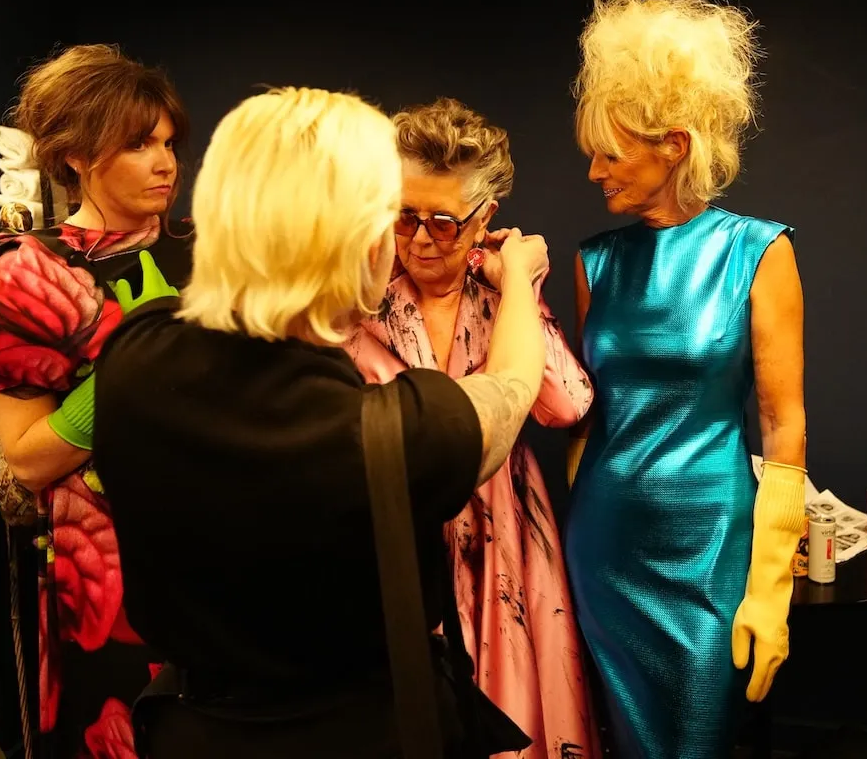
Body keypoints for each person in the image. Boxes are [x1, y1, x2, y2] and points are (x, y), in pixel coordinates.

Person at [90, 86, 553, 758]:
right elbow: (511, 388)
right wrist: (519, 281)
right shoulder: (390, 435)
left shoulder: (133, 354)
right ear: (362, 242)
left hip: (190, 733)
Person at [0, 44, 193, 757]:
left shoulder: (220, 258)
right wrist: (135, 367)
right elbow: (31, 460)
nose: (165, 162)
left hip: (227, 553)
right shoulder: (27, 278)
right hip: (108, 574)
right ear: (75, 158)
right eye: (139, 144)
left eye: (168, 142)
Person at [562, 0, 808, 759]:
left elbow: (784, 425)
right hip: (605, 549)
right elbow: (592, 416)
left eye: (611, 151)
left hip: (712, 551)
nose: (595, 171)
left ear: (673, 143)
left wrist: (770, 587)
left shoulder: (758, 251)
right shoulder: (595, 261)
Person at [344, 97, 600, 759]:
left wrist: (518, 282)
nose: (421, 240)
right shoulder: (358, 300)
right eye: (404, 216)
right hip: (397, 544)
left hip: (503, 540)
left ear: (484, 217)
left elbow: (566, 406)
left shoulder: (501, 300)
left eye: (444, 222)